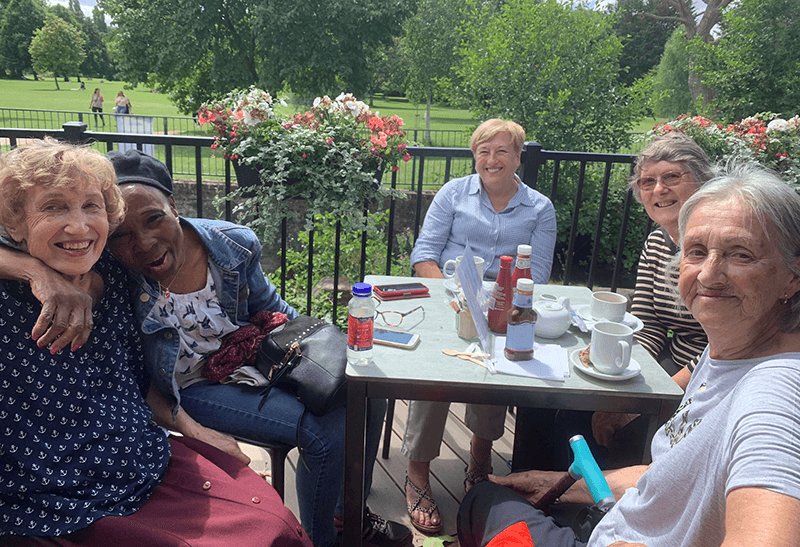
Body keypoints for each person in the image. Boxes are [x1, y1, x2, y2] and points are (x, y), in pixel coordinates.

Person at [0, 149, 410, 547]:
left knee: (363, 392)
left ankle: (347, 511)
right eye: (123, 231)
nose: (142, 243)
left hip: (248, 366)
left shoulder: (228, 246)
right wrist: (34, 270)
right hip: (185, 384)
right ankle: (329, 538)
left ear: (174, 207)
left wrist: (328, 348)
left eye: (155, 218)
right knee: (328, 432)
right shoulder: (107, 260)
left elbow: (277, 312)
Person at [458, 162, 800, 547]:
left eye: (741, 255)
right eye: (697, 252)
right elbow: (668, 479)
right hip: (612, 521)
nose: (708, 274)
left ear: (793, 275)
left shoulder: (775, 393)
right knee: (493, 494)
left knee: (481, 502)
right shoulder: (728, 350)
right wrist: (562, 483)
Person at [403, 118, 557, 534]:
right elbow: (424, 254)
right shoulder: (454, 193)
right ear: (475, 157)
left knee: (496, 365)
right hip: (449, 300)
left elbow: (536, 277)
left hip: (503, 309)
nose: (491, 160)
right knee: (433, 372)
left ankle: (480, 454)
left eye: (501, 151)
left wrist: (498, 301)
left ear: (518, 158)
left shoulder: (539, 208)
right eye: (483, 151)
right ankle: (418, 471)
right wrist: (452, 295)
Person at [547, 133, 715, 469]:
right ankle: (552, 491)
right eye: (647, 181)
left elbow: (720, 348)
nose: (658, 189)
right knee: (566, 402)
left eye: (672, 177)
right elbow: (647, 323)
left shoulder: (713, 245)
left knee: (632, 432)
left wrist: (642, 403)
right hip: (671, 365)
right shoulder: (656, 242)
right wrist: (623, 382)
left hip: (709, 377)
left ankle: (607, 501)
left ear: (702, 181)